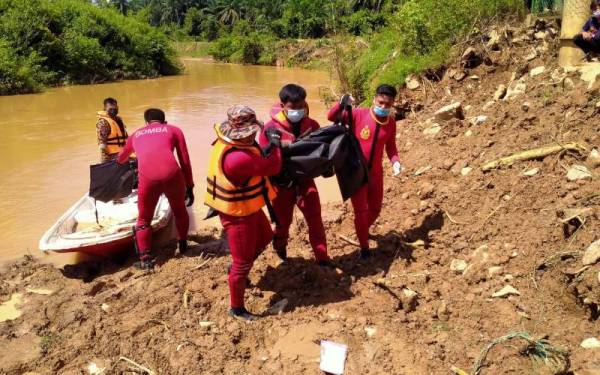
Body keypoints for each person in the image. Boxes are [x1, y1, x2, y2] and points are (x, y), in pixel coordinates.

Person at [204, 105, 282, 321]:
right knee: (242, 263)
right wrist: (274, 145)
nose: (253, 136)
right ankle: (237, 308)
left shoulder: (232, 144)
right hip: (237, 214)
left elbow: (259, 159)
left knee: (266, 236)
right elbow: (273, 166)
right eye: (250, 133)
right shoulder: (237, 158)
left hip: (249, 207)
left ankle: (238, 269)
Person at [258, 84, 332, 267]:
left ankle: (322, 258)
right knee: (283, 222)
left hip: (306, 181)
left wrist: (327, 166)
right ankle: (280, 248)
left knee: (315, 219)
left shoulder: (312, 125)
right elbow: (263, 160)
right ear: (283, 105)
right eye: (293, 108)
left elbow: (321, 150)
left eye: (301, 107)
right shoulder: (270, 129)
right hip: (281, 185)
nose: (298, 111)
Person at [327, 84, 402, 259]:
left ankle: (361, 229)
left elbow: (391, 147)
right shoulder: (358, 114)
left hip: (376, 174)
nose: (383, 107)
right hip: (356, 173)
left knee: (375, 209)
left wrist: (395, 161)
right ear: (375, 98)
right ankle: (364, 247)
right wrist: (341, 103)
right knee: (361, 211)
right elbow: (331, 116)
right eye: (381, 102)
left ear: (392, 104)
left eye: (388, 104)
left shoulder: (390, 123)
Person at [117, 108, 194, 270]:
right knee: (180, 210)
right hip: (172, 174)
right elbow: (185, 160)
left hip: (148, 177)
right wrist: (190, 186)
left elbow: (121, 158)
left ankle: (146, 259)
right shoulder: (174, 130)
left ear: (146, 122)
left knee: (144, 219)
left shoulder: (136, 134)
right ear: (164, 121)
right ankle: (183, 245)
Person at [97, 97, 129, 162]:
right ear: (105, 109)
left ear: (117, 107)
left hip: (123, 153)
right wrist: (105, 162)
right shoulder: (103, 122)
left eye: (115, 108)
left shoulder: (119, 119)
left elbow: (126, 137)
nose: (113, 110)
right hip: (112, 156)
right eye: (110, 109)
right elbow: (102, 144)